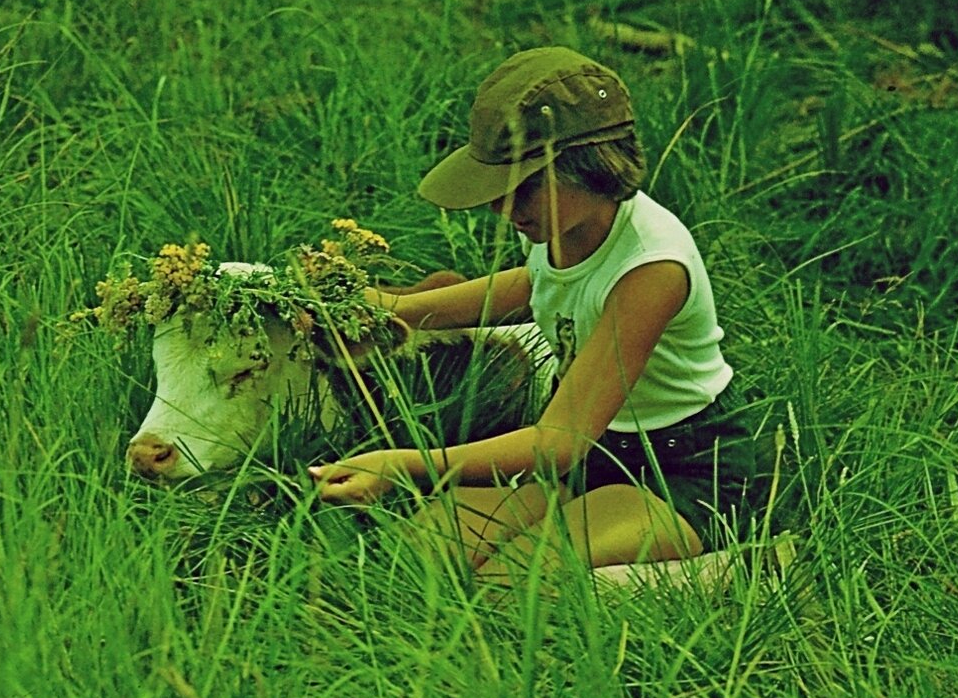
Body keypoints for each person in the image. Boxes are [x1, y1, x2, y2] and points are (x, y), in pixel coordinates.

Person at [308, 47, 775, 585]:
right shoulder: (563, 224)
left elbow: (558, 441)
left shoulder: (652, 268)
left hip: (678, 470)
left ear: (591, 166)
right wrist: (402, 308)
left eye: (523, 186)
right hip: (593, 457)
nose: (501, 206)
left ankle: (725, 574)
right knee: (414, 559)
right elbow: (538, 283)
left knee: (512, 588)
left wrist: (405, 464)